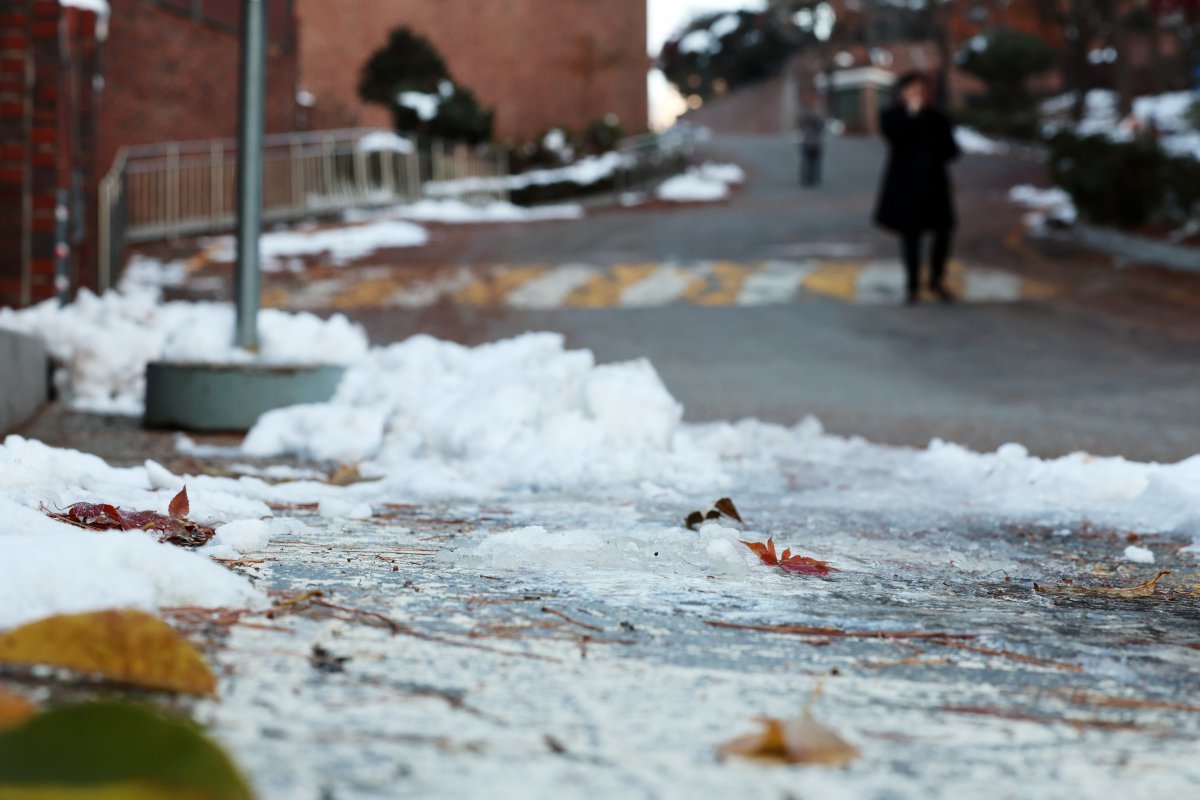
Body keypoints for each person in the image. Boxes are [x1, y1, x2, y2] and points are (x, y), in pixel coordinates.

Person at [873, 72, 960, 304]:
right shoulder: (892, 116)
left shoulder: (937, 118)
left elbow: (952, 150)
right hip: (906, 187)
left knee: (943, 232)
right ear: (901, 93)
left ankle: (936, 280)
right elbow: (895, 139)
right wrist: (912, 116)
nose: (916, 96)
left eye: (920, 91)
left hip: (935, 185)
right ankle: (912, 284)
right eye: (910, 91)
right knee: (910, 236)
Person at [797, 94, 827, 187]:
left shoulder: (803, 113)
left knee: (807, 162)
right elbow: (821, 126)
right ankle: (814, 179)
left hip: (806, 141)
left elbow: (800, 125)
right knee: (815, 162)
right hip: (816, 141)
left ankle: (806, 179)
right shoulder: (818, 113)